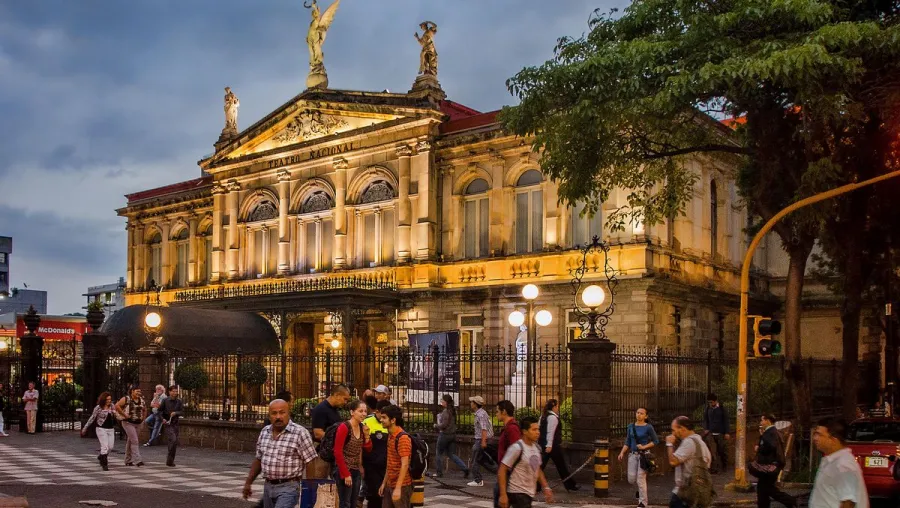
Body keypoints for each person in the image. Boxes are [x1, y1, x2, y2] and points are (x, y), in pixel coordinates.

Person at [243, 399, 318, 508]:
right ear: (269, 416)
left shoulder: (300, 433)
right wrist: (248, 482)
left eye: (282, 412)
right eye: (274, 413)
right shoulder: (265, 432)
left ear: (289, 413)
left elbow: (310, 461)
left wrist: (310, 490)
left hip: (289, 487)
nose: (278, 416)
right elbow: (259, 459)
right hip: (268, 486)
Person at [809, 417, 869, 508]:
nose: (815, 438)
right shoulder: (831, 461)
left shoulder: (843, 465)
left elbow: (848, 502)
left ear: (833, 440)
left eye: (820, 435)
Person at [497, 416, 553, 508]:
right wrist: (503, 495)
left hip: (528, 494)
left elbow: (537, 469)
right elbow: (502, 470)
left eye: (538, 429)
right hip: (517, 493)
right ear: (525, 431)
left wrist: (546, 487)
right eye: (534, 430)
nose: (537, 432)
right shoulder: (517, 448)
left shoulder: (536, 448)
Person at [665, 416, 711, 508]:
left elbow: (673, 462)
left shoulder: (688, 443)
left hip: (684, 493)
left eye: (674, 430)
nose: (673, 433)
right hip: (699, 491)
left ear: (682, 429)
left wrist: (669, 444)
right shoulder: (701, 442)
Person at [617, 407, 659, 508]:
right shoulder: (630, 426)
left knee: (641, 478)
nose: (639, 415)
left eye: (641, 413)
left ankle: (643, 502)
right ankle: (639, 491)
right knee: (631, 479)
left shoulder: (648, 427)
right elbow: (627, 441)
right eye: (637, 412)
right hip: (632, 455)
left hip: (643, 455)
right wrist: (622, 452)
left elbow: (655, 441)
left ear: (646, 416)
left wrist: (644, 446)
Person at [334, 399, 372, 508]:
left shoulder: (361, 427)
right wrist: (345, 474)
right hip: (344, 469)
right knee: (345, 503)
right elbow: (337, 452)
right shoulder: (344, 427)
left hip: (356, 470)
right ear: (352, 412)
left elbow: (367, 449)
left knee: (353, 503)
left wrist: (367, 435)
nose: (364, 414)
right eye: (360, 411)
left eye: (365, 411)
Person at [753, 414, 795, 508]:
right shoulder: (772, 432)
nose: (760, 422)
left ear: (767, 421)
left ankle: (790, 500)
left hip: (769, 466)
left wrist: (759, 448)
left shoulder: (770, 432)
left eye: (762, 420)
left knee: (767, 488)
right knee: (763, 489)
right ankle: (764, 505)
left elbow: (770, 446)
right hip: (770, 465)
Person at [539, 399, 579, 492]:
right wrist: (549, 445)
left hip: (544, 445)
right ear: (554, 407)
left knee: (542, 466)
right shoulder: (552, 417)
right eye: (557, 406)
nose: (558, 408)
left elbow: (540, 429)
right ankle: (570, 485)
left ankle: (570, 485)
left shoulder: (543, 416)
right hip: (552, 446)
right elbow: (550, 432)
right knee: (561, 466)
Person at [379, 405, 412, 508]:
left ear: (393, 420)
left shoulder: (402, 438)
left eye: (384, 417)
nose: (381, 420)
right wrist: (384, 483)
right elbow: (390, 462)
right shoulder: (390, 435)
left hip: (402, 485)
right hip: (390, 484)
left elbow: (405, 464)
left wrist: (398, 488)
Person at [430, 394, 468, 478]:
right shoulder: (453, 410)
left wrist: (436, 425)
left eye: (442, 400)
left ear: (446, 402)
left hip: (445, 435)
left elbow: (444, 425)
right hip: (452, 435)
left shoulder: (446, 411)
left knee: (439, 453)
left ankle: (439, 472)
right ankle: (464, 468)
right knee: (451, 454)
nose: (441, 402)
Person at [363, 399, 392, 508]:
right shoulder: (367, 422)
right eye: (382, 414)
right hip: (371, 467)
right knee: (374, 496)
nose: (384, 418)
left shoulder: (391, 423)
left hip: (386, 467)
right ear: (377, 412)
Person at [493, 399, 521, 505]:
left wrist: (508, 468)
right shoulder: (508, 427)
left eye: (497, 411)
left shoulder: (512, 428)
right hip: (504, 471)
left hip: (508, 473)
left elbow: (516, 449)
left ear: (504, 411)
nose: (496, 414)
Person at [82, 392, 117, 471]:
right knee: (104, 446)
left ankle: (101, 456)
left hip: (110, 428)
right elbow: (92, 418)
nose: (109, 401)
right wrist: (85, 427)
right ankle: (104, 463)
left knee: (110, 447)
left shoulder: (112, 406)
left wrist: (115, 414)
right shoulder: (98, 407)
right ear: (103, 400)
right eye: (107, 399)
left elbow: (116, 415)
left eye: (110, 399)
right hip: (101, 428)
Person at [116, 386, 146, 467]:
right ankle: (138, 460)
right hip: (128, 422)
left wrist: (143, 418)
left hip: (138, 423)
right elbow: (117, 406)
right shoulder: (126, 399)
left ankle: (128, 460)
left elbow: (144, 409)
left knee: (131, 441)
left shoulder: (141, 400)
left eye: (140, 392)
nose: (139, 393)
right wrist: (124, 414)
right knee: (135, 441)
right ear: (132, 391)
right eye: (137, 391)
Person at [467, 395, 493, 487]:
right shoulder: (482, 413)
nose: (470, 404)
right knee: (482, 460)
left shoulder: (480, 414)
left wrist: (483, 441)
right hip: (481, 439)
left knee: (475, 460)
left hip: (480, 440)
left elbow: (484, 428)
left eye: (472, 402)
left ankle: (478, 480)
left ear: (475, 404)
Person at [701, 393, 729, 474]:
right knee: (712, 451)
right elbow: (705, 419)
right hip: (711, 433)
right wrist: (706, 428)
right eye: (709, 402)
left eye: (712, 402)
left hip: (720, 433)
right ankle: (714, 468)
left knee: (722, 450)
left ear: (716, 401)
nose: (710, 404)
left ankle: (724, 466)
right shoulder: (708, 409)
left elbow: (726, 420)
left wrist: (727, 432)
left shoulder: (722, 408)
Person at [159, 385, 184, 467]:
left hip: (175, 423)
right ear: (169, 392)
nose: (175, 393)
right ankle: (169, 459)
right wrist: (162, 419)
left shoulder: (179, 401)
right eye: (173, 391)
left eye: (176, 391)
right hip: (167, 423)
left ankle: (170, 460)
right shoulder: (165, 401)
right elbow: (159, 411)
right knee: (172, 439)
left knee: (174, 441)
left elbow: (182, 412)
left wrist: (176, 413)